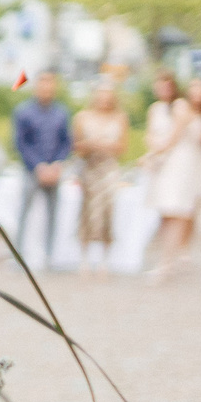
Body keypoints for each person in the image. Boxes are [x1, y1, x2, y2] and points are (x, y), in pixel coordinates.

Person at [146, 74, 201, 279]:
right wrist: (153, 151)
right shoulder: (155, 108)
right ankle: (167, 259)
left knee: (176, 211)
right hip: (164, 163)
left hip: (179, 163)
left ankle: (168, 262)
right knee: (166, 212)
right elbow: (150, 134)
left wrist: (155, 152)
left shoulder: (180, 106)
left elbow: (175, 135)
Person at [11, 71, 73, 267]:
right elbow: (21, 143)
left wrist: (57, 163)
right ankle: (18, 255)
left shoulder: (62, 112)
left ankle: (49, 256)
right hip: (32, 170)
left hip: (54, 170)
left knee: (53, 214)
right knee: (23, 212)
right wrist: (37, 165)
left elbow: (66, 142)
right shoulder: (23, 112)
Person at [71, 80, 129, 275]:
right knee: (87, 210)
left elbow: (122, 147)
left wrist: (105, 146)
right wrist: (90, 145)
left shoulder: (120, 117)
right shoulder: (82, 117)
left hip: (109, 169)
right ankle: (85, 257)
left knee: (108, 210)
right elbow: (75, 146)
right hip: (89, 167)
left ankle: (104, 258)